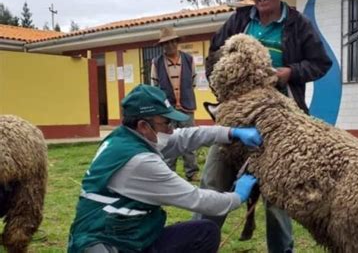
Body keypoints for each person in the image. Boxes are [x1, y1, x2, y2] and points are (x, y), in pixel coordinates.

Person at [196, 0, 333, 253]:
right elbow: (214, 57)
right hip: (236, 121)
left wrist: (290, 72)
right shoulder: (240, 20)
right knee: (213, 181)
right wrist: (226, 90)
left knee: (277, 197)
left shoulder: (298, 24)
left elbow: (321, 63)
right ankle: (197, 243)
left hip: (280, 125)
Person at [68, 84, 261, 253]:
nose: (171, 128)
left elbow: (185, 137)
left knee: (202, 232)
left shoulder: (124, 138)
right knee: (205, 233)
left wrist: (230, 132)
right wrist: (238, 196)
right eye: (167, 122)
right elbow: (196, 199)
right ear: (143, 125)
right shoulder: (141, 162)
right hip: (111, 245)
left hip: (124, 235)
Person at [150, 27, 200, 182]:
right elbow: (154, 86)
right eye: (166, 43)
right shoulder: (156, 63)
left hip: (186, 107)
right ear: (162, 45)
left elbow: (193, 81)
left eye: (172, 42)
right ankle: (169, 172)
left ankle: (192, 173)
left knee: (189, 139)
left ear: (176, 42)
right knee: (167, 141)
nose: (169, 45)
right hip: (167, 109)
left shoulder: (189, 59)